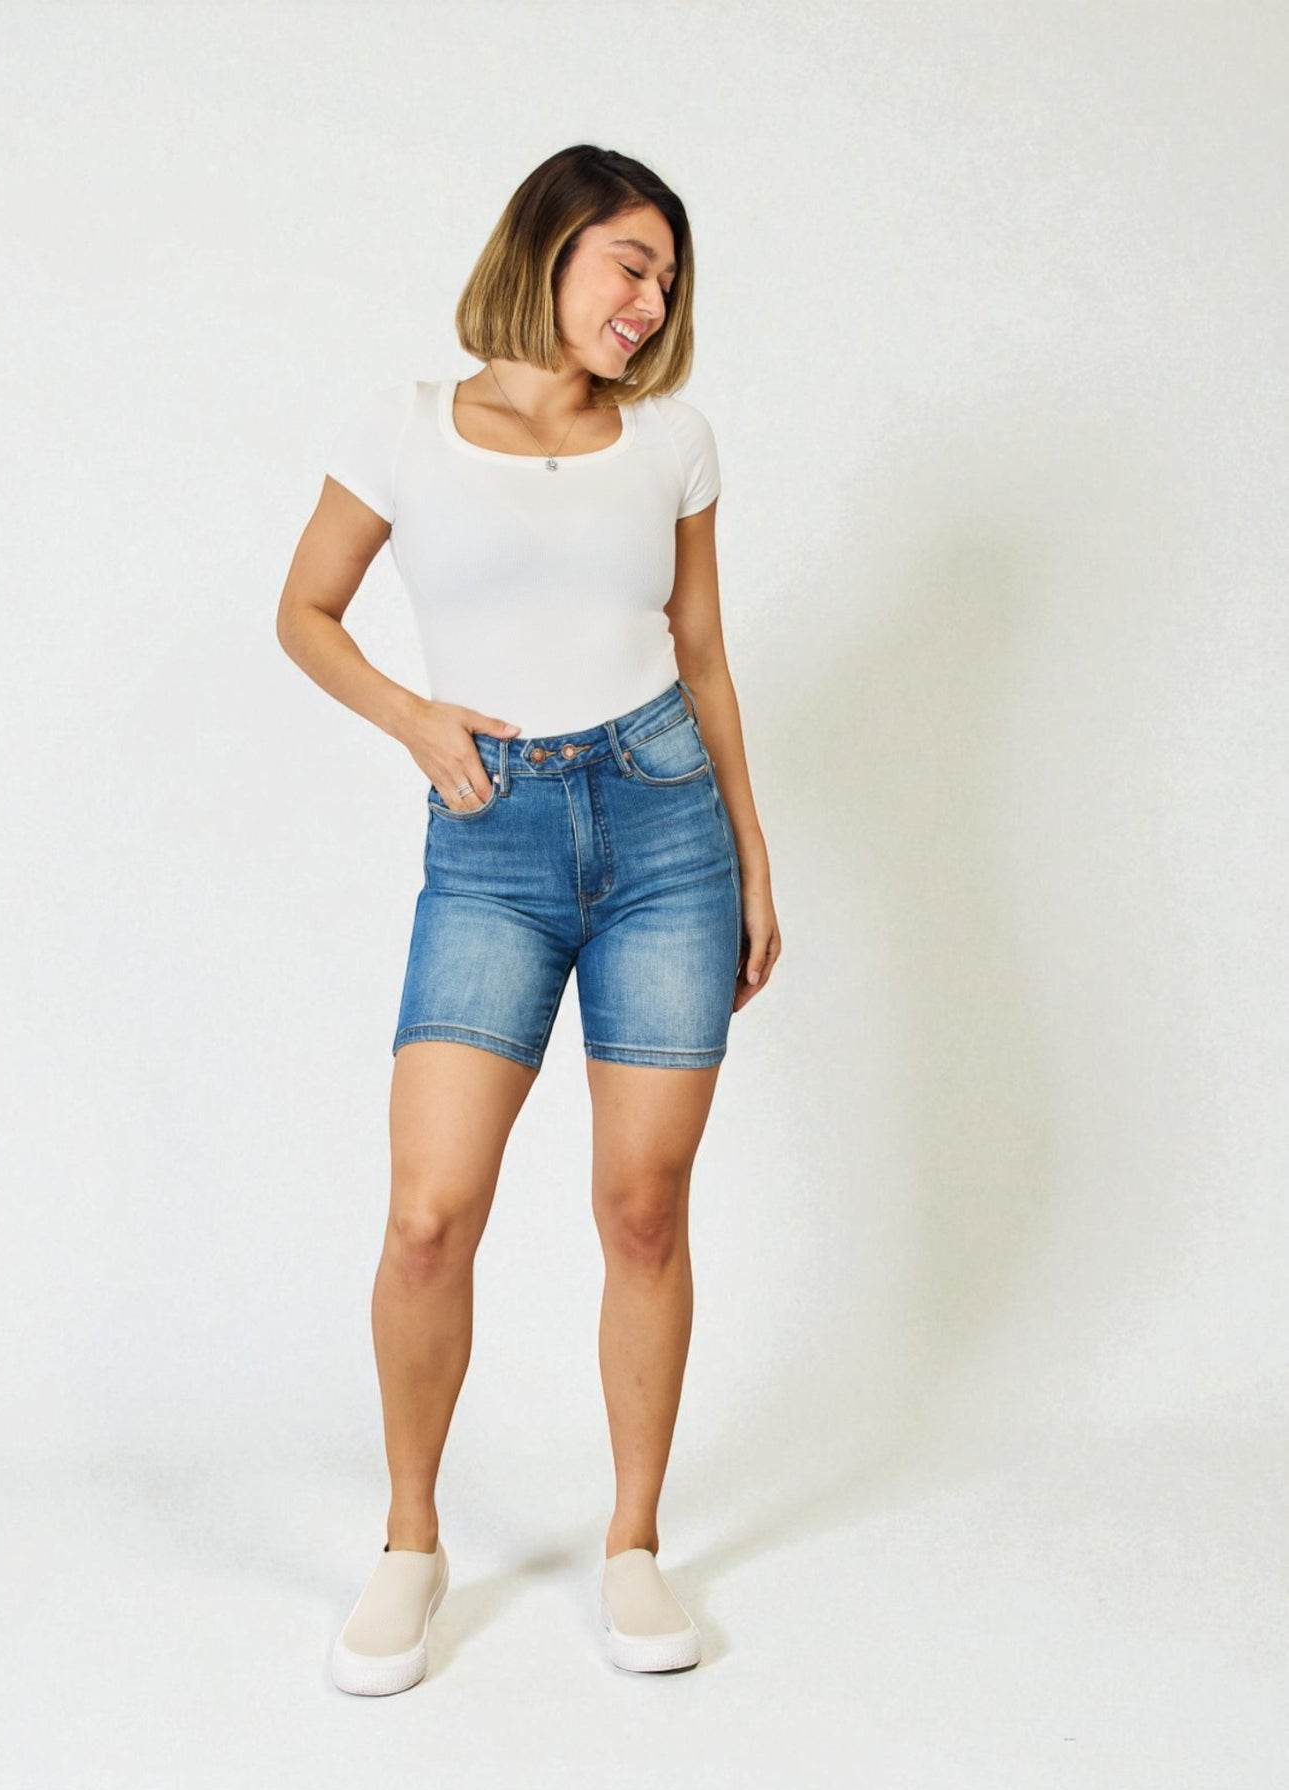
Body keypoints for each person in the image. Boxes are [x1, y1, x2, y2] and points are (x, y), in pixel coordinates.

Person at [276, 144, 780, 1692]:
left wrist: (754, 863)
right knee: (430, 1213)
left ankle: (632, 1544)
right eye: (630, 263)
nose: (649, 300)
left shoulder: (674, 440)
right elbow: (303, 609)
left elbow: (699, 649)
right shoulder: (404, 429)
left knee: (642, 1206)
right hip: (490, 841)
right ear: (550, 248)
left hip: (664, 828)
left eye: (667, 279)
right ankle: (411, 1541)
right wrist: (417, 720)